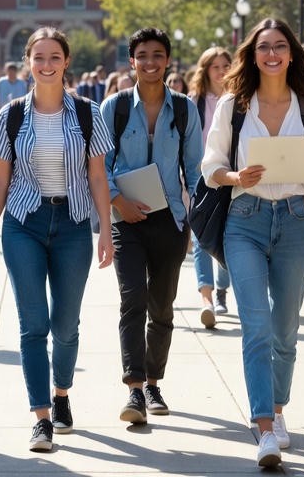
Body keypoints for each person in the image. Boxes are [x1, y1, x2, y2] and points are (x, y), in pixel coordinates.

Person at [200, 18, 304, 469]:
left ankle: (278, 408)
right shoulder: (233, 106)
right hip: (245, 219)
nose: (272, 54)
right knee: (255, 325)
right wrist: (236, 176)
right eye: (264, 47)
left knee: (285, 330)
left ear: (292, 54)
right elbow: (210, 166)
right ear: (252, 54)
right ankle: (263, 427)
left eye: (280, 46)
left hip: (298, 222)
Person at [0, 27, 115, 453]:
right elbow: (0, 180)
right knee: (32, 324)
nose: (46, 64)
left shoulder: (89, 113)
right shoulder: (12, 114)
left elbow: (97, 175)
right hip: (24, 223)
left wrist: (106, 228)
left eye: (54, 56)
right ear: (28, 62)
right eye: (38, 57)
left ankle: (62, 394)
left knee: (67, 325)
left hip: (73, 222)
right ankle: (41, 416)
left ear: (66, 61)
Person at [100, 28, 202, 424]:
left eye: (157, 55)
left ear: (168, 60)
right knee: (133, 301)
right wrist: (117, 202)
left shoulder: (184, 109)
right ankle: (134, 390)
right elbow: (100, 164)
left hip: (170, 219)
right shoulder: (115, 107)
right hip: (127, 218)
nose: (150, 62)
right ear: (132, 61)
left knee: (162, 307)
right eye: (142, 55)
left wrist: (194, 215)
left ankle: (155, 383)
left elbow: (193, 168)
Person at [186, 46, 233, 326]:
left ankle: (222, 291)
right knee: (200, 238)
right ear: (206, 70)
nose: (221, 71)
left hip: (231, 178)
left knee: (228, 237)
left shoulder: (240, 101)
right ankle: (207, 298)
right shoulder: (194, 103)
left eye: (225, 65)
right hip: (200, 179)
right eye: (215, 66)